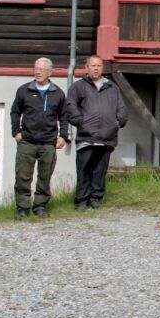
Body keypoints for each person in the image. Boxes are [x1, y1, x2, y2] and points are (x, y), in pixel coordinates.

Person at [10, 58, 70, 219]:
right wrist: (16, 132)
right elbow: (15, 112)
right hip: (27, 141)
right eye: (36, 68)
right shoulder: (24, 90)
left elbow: (64, 116)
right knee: (23, 176)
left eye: (42, 69)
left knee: (45, 176)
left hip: (48, 143)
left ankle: (40, 206)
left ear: (51, 72)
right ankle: (22, 208)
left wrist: (63, 136)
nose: (38, 71)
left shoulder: (58, 93)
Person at [66, 55, 127, 211]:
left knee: (100, 171)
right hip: (86, 136)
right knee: (84, 169)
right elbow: (71, 105)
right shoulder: (78, 87)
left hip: (106, 137)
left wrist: (118, 122)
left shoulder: (112, 87)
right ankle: (81, 200)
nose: (95, 68)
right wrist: (81, 121)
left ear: (102, 68)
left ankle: (96, 198)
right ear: (87, 68)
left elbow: (121, 107)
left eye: (98, 65)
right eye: (92, 65)